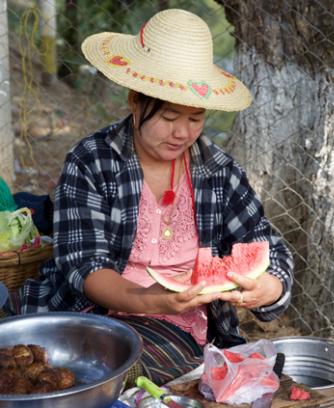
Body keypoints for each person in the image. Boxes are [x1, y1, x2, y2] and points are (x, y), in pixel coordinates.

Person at [18, 9, 293, 385]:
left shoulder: (218, 170)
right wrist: (151, 298)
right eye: (168, 116)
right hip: (87, 309)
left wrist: (268, 287)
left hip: (174, 326)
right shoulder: (92, 161)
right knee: (29, 367)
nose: (182, 132)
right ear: (135, 101)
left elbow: (269, 247)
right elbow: (84, 265)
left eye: (195, 118)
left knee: (110, 376)